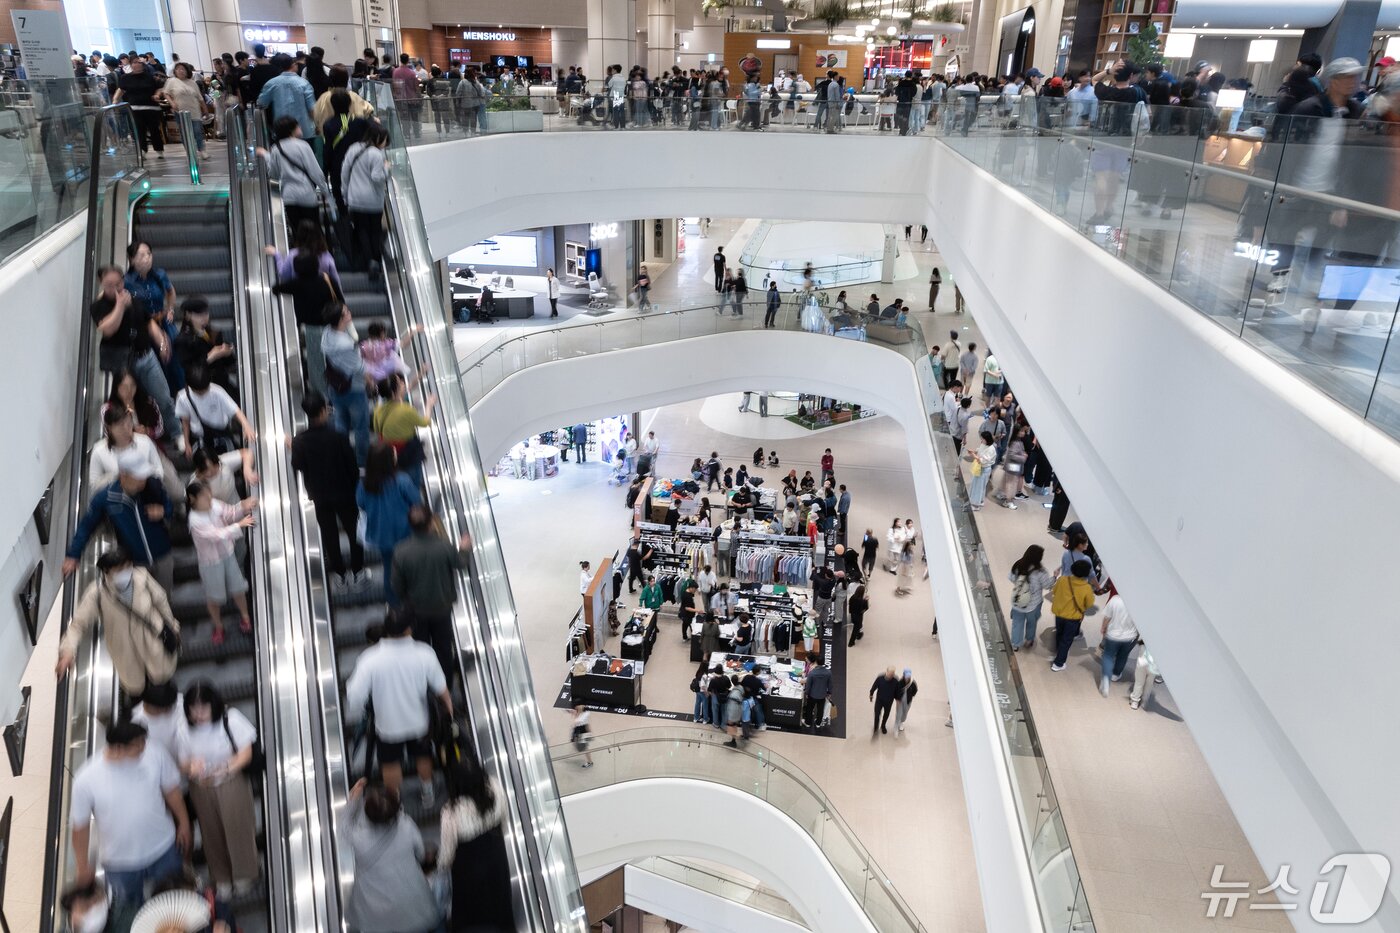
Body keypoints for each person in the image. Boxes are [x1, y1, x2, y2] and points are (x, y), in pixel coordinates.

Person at [70, 720, 190, 911]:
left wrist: (184, 823)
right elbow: (80, 827)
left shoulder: (154, 752)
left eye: (144, 742)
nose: (144, 748)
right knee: (130, 909)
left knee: (175, 900)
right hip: (120, 863)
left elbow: (172, 790)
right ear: (118, 748)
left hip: (164, 848)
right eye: (138, 746)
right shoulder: (86, 779)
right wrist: (82, 865)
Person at [346, 609, 452, 803]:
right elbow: (441, 689)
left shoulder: (370, 658)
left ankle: (395, 802)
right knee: (423, 756)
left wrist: (363, 707)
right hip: (420, 722)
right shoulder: (424, 653)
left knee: (390, 763)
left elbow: (354, 697)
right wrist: (450, 714)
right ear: (409, 629)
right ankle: (428, 793)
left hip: (387, 725)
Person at [56, 548, 179, 699]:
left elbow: (160, 600)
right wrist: (67, 651)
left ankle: (164, 696)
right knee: (137, 684)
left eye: (128, 566)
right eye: (120, 569)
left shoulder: (141, 576)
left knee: (161, 674)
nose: (126, 572)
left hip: (152, 637)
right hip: (124, 647)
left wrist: (171, 623)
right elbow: (78, 624)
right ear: (107, 571)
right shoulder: (97, 593)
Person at [180, 682, 259, 899]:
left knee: (238, 828)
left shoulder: (230, 718)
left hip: (231, 783)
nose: (198, 715)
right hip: (201, 788)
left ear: (212, 705)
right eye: (193, 710)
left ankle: (244, 873)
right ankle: (221, 877)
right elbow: (182, 762)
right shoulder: (184, 729)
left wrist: (225, 768)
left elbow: (246, 752)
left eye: (203, 708)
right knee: (211, 833)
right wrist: (191, 767)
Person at [340, 779, 443, 933]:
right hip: (412, 906)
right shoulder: (406, 825)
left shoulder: (358, 837)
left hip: (374, 913)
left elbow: (343, 826)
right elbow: (420, 854)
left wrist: (353, 799)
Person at [292, 392, 368, 590]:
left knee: (330, 536)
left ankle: (340, 576)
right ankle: (358, 573)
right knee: (354, 533)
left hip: (320, 497)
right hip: (344, 493)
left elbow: (298, 464)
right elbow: (352, 467)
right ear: (324, 411)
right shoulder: (338, 437)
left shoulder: (299, 441)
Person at [90, 265, 179, 434]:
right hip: (123, 365)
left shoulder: (135, 300)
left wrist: (161, 340)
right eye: (110, 285)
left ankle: (176, 433)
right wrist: (120, 306)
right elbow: (108, 329)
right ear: (101, 283)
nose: (116, 288)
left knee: (164, 399)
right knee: (128, 402)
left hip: (146, 357)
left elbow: (148, 322)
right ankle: (131, 436)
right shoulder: (98, 306)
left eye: (118, 283)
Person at [392, 504, 472, 685]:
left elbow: (397, 586)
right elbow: (460, 563)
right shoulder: (444, 546)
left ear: (410, 525)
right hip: (442, 608)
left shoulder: (401, 551)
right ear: (430, 523)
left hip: (416, 610)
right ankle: (445, 688)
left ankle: (424, 685)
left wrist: (408, 601)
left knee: (421, 648)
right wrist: (465, 548)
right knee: (444, 649)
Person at [65, 468, 175, 593]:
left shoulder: (152, 486)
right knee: (140, 602)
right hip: (136, 563)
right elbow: (86, 526)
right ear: (124, 475)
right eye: (138, 478)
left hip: (163, 555)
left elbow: (169, 506)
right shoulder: (106, 498)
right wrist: (73, 555)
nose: (142, 482)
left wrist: (164, 511)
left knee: (164, 597)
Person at [439, 758, 514, 932]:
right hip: (495, 853)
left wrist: (440, 866)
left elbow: (447, 854)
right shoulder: (495, 788)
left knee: (472, 909)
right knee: (499, 899)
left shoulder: (451, 812)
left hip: (469, 866)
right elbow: (504, 821)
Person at [186, 480, 256, 646]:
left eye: (208, 493)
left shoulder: (214, 504)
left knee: (238, 588)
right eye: (204, 496)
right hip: (210, 562)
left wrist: (242, 506)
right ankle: (218, 626)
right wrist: (239, 524)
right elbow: (215, 535)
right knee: (214, 597)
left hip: (228, 553)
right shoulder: (194, 521)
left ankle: (246, 618)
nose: (209, 498)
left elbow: (230, 513)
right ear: (192, 499)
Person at [357, 442, 421, 605]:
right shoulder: (401, 480)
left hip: (381, 536)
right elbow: (416, 501)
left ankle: (395, 605)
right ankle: (413, 600)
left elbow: (361, 504)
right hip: (405, 534)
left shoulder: (363, 484)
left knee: (389, 570)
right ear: (388, 460)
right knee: (411, 567)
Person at [257, 115, 329, 233]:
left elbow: (273, 174)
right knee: (314, 232)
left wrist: (266, 156)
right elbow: (316, 172)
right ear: (292, 130)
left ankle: (299, 251)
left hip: (289, 196)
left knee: (298, 232)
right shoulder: (303, 146)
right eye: (298, 126)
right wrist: (325, 191)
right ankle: (317, 251)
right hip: (306, 194)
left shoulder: (276, 148)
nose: (300, 128)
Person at [321, 302, 371, 462]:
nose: (349, 312)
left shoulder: (327, 332)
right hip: (354, 389)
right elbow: (359, 367)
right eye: (346, 312)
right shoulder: (346, 345)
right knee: (361, 427)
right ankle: (362, 460)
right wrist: (370, 381)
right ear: (341, 319)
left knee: (340, 422)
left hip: (335, 388)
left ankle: (341, 455)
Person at [341, 123, 391, 278]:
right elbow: (377, 178)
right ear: (378, 138)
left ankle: (369, 260)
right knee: (374, 231)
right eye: (384, 141)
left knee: (361, 230)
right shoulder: (376, 154)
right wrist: (387, 169)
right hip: (373, 200)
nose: (384, 145)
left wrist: (345, 194)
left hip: (355, 198)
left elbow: (344, 172)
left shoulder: (353, 148)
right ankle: (375, 260)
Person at [372, 371, 433, 489]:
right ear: (395, 393)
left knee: (398, 478)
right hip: (408, 452)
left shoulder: (378, 410)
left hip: (390, 453)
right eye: (400, 383)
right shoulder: (406, 410)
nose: (403, 384)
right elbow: (425, 423)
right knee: (413, 480)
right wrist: (429, 405)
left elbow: (376, 428)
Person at [173, 296, 236, 396]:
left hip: (223, 386)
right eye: (199, 315)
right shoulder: (182, 341)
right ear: (188, 315)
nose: (204, 318)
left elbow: (230, 363)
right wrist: (211, 356)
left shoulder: (214, 333)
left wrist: (227, 353)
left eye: (206, 313)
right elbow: (191, 371)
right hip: (202, 390)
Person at [257, 54, 318, 151]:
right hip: (304, 131)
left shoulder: (271, 83)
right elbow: (312, 109)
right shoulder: (304, 83)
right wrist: (317, 125)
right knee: (306, 161)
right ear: (293, 64)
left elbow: (261, 103)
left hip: (281, 131)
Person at [113, 56, 167, 157]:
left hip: (151, 108)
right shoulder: (125, 78)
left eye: (139, 63)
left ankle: (159, 150)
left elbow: (159, 88)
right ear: (131, 64)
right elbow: (121, 89)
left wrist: (157, 95)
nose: (136, 65)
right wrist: (115, 100)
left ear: (143, 65)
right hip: (135, 108)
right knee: (138, 130)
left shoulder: (151, 76)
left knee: (154, 130)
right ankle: (142, 150)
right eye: (134, 63)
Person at [1049, 559, 1097, 672]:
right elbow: (1089, 603)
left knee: (1059, 633)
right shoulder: (1086, 588)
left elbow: (1054, 591)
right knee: (1067, 639)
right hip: (1073, 617)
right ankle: (1058, 663)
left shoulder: (1062, 580)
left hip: (1059, 613)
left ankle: (1058, 651)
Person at [1008, 545, 1053, 651]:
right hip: (1033, 605)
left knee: (1017, 624)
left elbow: (1010, 577)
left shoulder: (1018, 565)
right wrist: (1054, 577)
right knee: (1031, 623)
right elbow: (1047, 585)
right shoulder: (1041, 572)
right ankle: (1029, 640)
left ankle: (1015, 644)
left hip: (1017, 602)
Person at [163, 62, 209, 159]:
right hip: (180, 112)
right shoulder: (172, 81)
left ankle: (201, 150)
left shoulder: (192, 83)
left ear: (187, 71)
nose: (180, 71)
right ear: (175, 71)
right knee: (185, 133)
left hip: (195, 111)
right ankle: (190, 151)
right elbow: (166, 93)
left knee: (197, 131)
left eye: (183, 69)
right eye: (178, 69)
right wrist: (172, 103)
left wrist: (205, 110)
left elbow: (200, 98)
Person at [1098, 587, 1138, 697]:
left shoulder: (1115, 600)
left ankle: (1106, 679)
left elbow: (1107, 617)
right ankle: (1116, 674)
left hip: (1113, 635)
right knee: (1123, 656)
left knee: (1108, 656)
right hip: (1130, 637)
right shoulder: (1138, 603)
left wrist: (1103, 628)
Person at [969, 430, 997, 511]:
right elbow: (980, 449)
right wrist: (975, 451)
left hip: (984, 469)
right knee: (978, 486)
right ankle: (980, 501)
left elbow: (982, 460)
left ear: (987, 439)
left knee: (979, 487)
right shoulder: (984, 444)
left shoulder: (991, 449)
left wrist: (973, 455)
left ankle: (976, 505)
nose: (981, 440)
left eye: (983, 439)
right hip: (980, 468)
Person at [870, 667, 901, 735]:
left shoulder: (895, 681)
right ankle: (875, 728)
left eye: (893, 674)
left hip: (889, 702)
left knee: (886, 714)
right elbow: (874, 686)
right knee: (877, 714)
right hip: (879, 701)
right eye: (890, 674)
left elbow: (897, 692)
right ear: (886, 672)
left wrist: (898, 700)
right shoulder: (880, 678)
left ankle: (883, 726)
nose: (891, 676)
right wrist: (871, 694)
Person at [802, 657, 831, 730]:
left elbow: (808, 685)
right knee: (820, 709)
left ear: (816, 662)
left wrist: (806, 693)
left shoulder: (812, 673)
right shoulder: (828, 673)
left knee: (809, 709)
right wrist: (829, 693)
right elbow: (830, 685)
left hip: (812, 695)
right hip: (822, 695)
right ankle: (818, 723)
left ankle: (808, 723)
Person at [1130, 645, 1159, 711]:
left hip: (1142, 662)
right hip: (1154, 665)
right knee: (1149, 683)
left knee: (1139, 682)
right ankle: (1144, 701)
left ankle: (1135, 701)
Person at [723, 674, 747, 747]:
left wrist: (729, 716)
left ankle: (733, 741)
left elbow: (731, 707)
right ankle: (734, 739)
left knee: (731, 725)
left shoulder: (733, 694)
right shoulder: (741, 688)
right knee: (735, 725)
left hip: (734, 712)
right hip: (739, 710)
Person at [847, 580, 869, 646]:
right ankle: (851, 642)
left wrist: (850, 612)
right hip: (858, 616)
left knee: (857, 625)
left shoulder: (853, 597)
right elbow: (866, 608)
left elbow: (850, 604)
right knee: (856, 628)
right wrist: (866, 600)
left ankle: (859, 634)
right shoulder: (863, 601)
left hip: (853, 614)